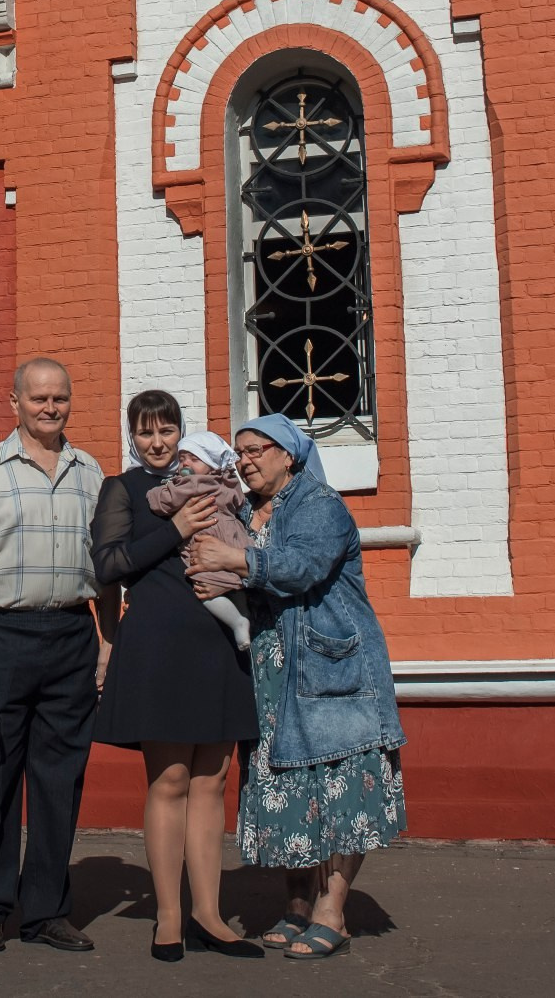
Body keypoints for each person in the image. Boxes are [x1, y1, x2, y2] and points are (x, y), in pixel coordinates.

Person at [189, 412, 404, 962]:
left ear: (289, 455)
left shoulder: (320, 505)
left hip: (330, 671)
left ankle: (334, 910)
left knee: (339, 789)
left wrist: (234, 558)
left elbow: (302, 567)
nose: (245, 459)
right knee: (287, 792)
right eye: (239, 451)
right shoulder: (243, 508)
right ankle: (297, 904)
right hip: (269, 674)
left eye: (256, 449)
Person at [0, 357, 108, 955]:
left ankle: (46, 912)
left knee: (60, 781)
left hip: (70, 637)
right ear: (14, 403)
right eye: (38, 398)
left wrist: (107, 642)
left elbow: (108, 574)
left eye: (60, 397)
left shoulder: (92, 474)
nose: (50, 407)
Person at [90, 392, 263, 961]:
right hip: (159, 647)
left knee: (212, 783)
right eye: (146, 433)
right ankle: (168, 918)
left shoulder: (208, 477)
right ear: (132, 437)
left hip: (218, 646)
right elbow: (108, 566)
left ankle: (208, 915)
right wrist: (175, 528)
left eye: (167, 431)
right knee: (168, 781)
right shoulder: (126, 490)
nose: (158, 443)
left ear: (181, 432)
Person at [146, 437, 253, 649]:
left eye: (194, 459)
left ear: (211, 464)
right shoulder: (228, 482)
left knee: (206, 588)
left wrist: (154, 492)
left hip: (208, 538)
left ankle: (237, 622)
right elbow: (238, 502)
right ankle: (245, 615)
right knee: (236, 585)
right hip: (233, 538)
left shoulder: (193, 484)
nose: (185, 464)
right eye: (182, 458)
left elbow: (165, 501)